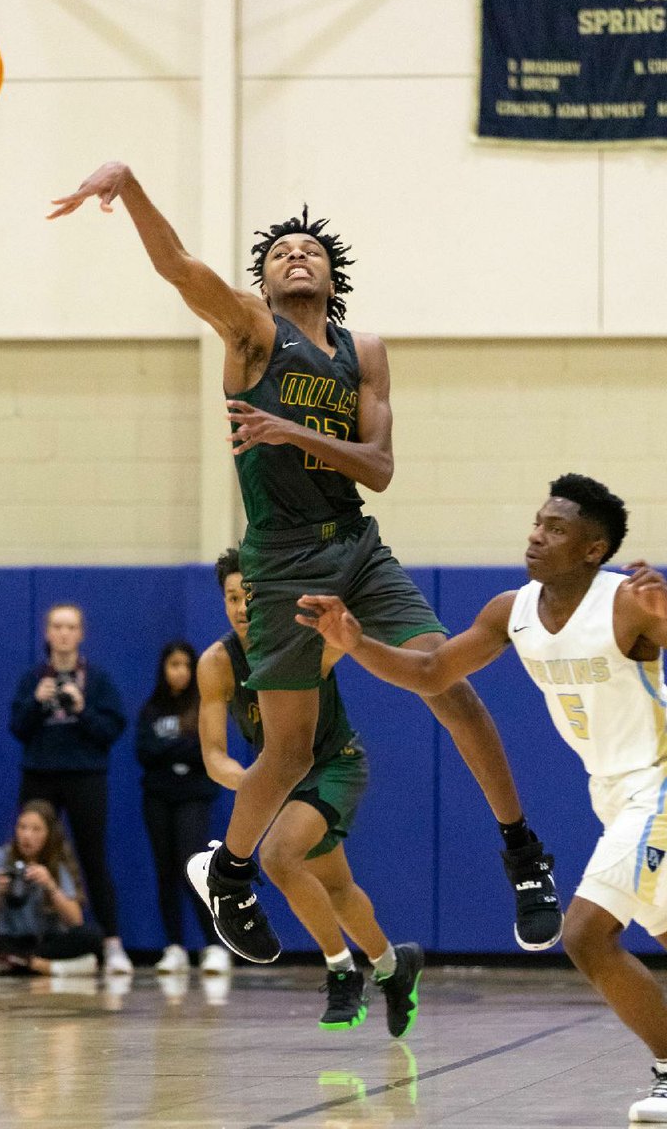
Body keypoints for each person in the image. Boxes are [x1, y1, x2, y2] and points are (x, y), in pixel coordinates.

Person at [48, 165, 562, 964]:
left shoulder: (366, 352)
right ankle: (232, 875)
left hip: (354, 540)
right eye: (280, 250)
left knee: (445, 681)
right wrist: (129, 185)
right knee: (287, 750)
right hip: (282, 559)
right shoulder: (252, 333)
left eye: (309, 250)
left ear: (331, 275)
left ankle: (523, 854)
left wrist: (295, 435)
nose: (295, 255)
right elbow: (178, 265)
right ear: (261, 279)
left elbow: (379, 466)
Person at [296, 473, 667, 1124]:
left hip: (658, 783)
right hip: (610, 792)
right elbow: (432, 673)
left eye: (555, 528)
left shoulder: (627, 603)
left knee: (585, 934)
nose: (536, 533)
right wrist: (355, 643)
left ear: (591, 548)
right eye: (536, 520)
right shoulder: (510, 611)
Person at [198, 547, 422, 1035]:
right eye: (231, 597)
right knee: (338, 889)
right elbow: (214, 757)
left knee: (278, 857)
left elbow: (354, 631)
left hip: (335, 765)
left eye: (249, 595)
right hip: (283, 779)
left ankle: (341, 972)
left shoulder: (301, 640)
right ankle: (392, 966)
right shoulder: (217, 663)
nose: (240, 607)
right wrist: (255, 786)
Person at [9, 602, 132, 976]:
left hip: (85, 775)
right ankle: (24, 941)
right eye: (57, 627)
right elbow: (18, 729)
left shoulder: (97, 681)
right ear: (47, 633)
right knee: (30, 855)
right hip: (40, 773)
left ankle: (112, 944)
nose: (63, 634)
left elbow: (111, 731)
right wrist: (36, 702)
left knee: (93, 857)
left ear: (81, 634)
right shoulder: (34, 679)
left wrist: (81, 708)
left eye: (71, 627)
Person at [136, 639, 230, 977]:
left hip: (193, 796)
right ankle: (174, 946)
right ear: (164, 669)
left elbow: (204, 753)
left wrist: (171, 749)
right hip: (159, 796)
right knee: (165, 870)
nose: (180, 672)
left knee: (193, 866)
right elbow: (144, 752)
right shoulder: (151, 709)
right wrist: (180, 748)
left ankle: (214, 946)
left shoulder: (205, 706)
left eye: (186, 665)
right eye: (173, 665)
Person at [0, 800, 104, 975]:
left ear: (49, 834)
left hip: (45, 940)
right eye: (22, 828)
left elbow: (76, 921)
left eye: (36, 830)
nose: (27, 836)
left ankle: (14, 963)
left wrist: (50, 886)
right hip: (8, 938)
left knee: (92, 935)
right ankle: (37, 964)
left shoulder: (57, 861)